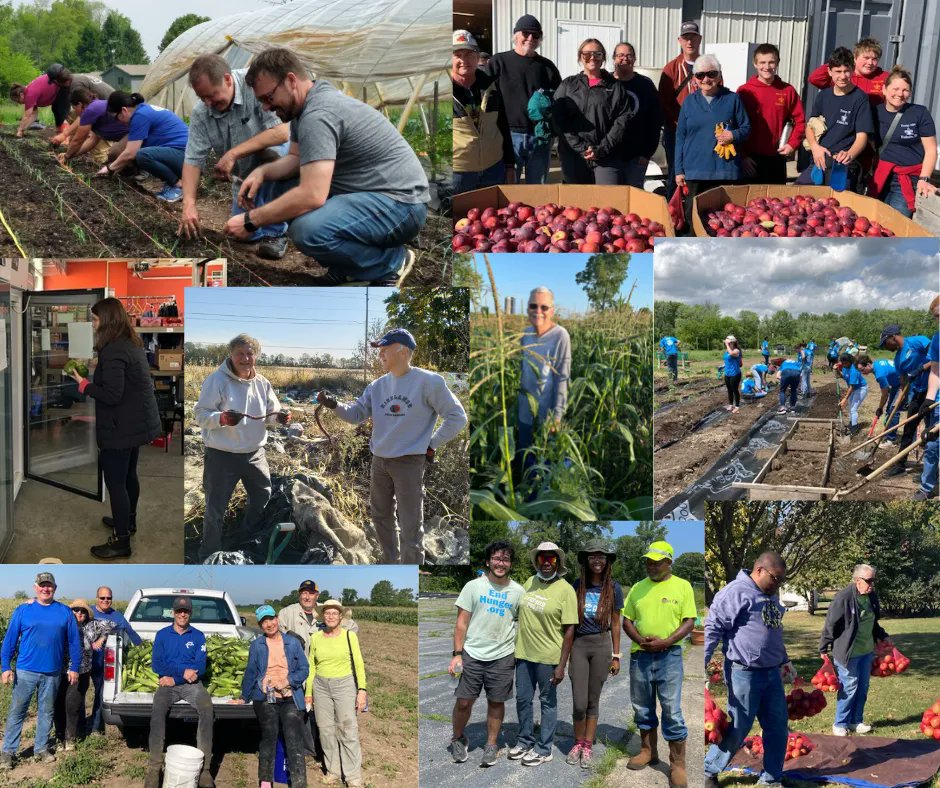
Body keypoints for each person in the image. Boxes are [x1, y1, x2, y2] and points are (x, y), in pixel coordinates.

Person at [227, 48, 429, 286]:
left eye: (268, 98)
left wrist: (252, 220)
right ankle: (349, 268)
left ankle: (390, 262)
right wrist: (262, 171)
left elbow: (312, 195)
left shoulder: (318, 115)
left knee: (308, 230)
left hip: (402, 205)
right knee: (276, 184)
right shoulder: (304, 108)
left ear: (291, 81)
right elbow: (294, 158)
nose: (265, 107)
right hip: (372, 195)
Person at [317, 328, 466, 563]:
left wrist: (431, 444)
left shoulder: (428, 382)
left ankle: (411, 569)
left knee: (410, 525)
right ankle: (391, 561)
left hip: (409, 463)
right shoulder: (377, 386)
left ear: (403, 351)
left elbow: (457, 417)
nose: (380, 355)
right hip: (380, 461)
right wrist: (334, 404)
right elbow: (356, 414)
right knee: (381, 516)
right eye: (379, 351)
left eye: (385, 350)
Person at [67, 297, 161, 560]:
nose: (92, 324)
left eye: (95, 319)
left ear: (107, 321)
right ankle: (128, 523)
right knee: (129, 475)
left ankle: (121, 542)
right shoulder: (129, 343)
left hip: (121, 427)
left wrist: (84, 383)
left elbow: (112, 395)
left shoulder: (113, 350)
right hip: (136, 424)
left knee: (116, 483)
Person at [178, 54, 292, 259]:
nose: (208, 103)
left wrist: (233, 153)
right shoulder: (201, 113)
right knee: (242, 233)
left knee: (273, 156)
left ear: (228, 80)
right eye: (202, 98)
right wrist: (189, 204)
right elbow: (193, 160)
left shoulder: (255, 86)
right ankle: (272, 215)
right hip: (244, 174)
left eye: (211, 95)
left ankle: (277, 232)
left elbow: (282, 132)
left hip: (277, 157)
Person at [193, 333, 290, 561]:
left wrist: (281, 418)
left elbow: (271, 415)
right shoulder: (217, 380)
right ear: (231, 355)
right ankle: (209, 554)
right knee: (215, 508)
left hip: (255, 454)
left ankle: (243, 539)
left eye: (250, 354)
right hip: (222, 456)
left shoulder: (263, 383)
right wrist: (222, 419)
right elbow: (200, 414)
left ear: (255, 356)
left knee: (262, 497)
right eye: (240, 354)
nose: (245, 358)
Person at [703, 553, 795, 788]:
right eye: (776, 578)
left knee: (777, 725)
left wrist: (784, 660)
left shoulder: (771, 595)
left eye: (781, 580)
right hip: (743, 672)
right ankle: (708, 770)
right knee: (739, 726)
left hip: (772, 673)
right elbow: (713, 628)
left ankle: (771, 778)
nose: (778, 585)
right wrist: (701, 664)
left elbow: (773, 631)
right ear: (759, 571)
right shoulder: (735, 592)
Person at [623, 541, 696, 787]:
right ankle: (648, 751)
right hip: (640, 656)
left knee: (671, 710)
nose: (650, 566)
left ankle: (677, 764)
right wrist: (642, 642)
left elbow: (689, 622)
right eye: (648, 561)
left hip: (670, 657)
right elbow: (627, 621)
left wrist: (665, 642)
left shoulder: (683, 586)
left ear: (668, 563)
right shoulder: (637, 588)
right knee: (642, 707)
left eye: (656, 562)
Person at [448, 541, 525, 767]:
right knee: (463, 701)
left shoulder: (518, 592)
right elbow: (461, 623)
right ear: (488, 561)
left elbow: (526, 623)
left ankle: (491, 745)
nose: (501, 563)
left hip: (503, 655)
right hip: (472, 654)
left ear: (510, 564)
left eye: (505, 559)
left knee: (496, 701)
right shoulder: (473, 586)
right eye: (497, 558)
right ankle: (458, 738)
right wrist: (457, 654)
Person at [1, 572, 81, 772]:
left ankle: (41, 749)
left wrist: (74, 667)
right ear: (35, 587)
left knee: (47, 711)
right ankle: (8, 752)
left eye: (50, 585)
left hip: (52, 673)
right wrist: (5, 667)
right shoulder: (23, 610)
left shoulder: (64, 612)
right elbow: (9, 640)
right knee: (17, 711)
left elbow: (74, 642)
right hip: (25, 671)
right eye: (42, 585)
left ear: (55, 587)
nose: (46, 589)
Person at [509, 541, 577, 767]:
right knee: (522, 700)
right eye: (542, 558)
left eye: (552, 559)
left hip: (549, 658)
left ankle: (544, 747)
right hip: (524, 655)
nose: (546, 563)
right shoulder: (530, 582)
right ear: (536, 561)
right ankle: (525, 739)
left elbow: (569, 630)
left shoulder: (566, 590)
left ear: (558, 562)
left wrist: (561, 665)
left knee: (547, 702)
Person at [231, 605, 309, 788]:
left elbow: (304, 669)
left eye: (271, 619)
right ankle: (265, 782)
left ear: (277, 620)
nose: (269, 624)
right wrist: (244, 696)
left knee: (293, 736)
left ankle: (299, 783)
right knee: (270, 733)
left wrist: (287, 681)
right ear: (260, 625)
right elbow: (251, 672)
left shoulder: (292, 643)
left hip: (290, 696)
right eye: (264, 621)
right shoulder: (257, 645)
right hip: (265, 697)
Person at [674, 55, 750, 229]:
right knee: (695, 220)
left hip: (725, 170)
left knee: (726, 223)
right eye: (700, 75)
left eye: (711, 74)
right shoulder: (689, 102)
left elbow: (746, 128)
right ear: (694, 79)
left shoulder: (733, 99)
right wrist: (679, 170)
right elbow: (680, 136)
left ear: (719, 75)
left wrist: (733, 135)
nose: (706, 79)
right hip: (695, 171)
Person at [484, 15, 562, 185]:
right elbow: (483, 96)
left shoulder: (547, 67)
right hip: (508, 136)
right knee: (508, 189)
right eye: (526, 33)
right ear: (515, 35)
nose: (530, 39)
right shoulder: (499, 62)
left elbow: (559, 100)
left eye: (536, 35)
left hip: (540, 137)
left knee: (538, 188)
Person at [146, 596, 215, 788]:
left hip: (191, 685)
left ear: (190, 613)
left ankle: (205, 770)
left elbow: (200, 667)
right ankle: (154, 768)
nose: (182, 614)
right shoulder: (162, 635)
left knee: (207, 708)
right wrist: (182, 672)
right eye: (179, 611)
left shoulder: (198, 636)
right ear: (173, 613)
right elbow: (157, 665)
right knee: (158, 710)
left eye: (186, 611)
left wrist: (175, 677)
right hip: (167, 686)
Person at [567, 539, 623, 769]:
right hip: (579, 645)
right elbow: (567, 622)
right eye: (592, 556)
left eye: (601, 556)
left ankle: (588, 746)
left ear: (607, 560)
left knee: (593, 700)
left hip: (601, 645)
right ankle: (577, 742)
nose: (597, 560)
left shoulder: (614, 588)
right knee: (579, 703)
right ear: (586, 560)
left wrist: (616, 655)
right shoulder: (577, 585)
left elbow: (616, 624)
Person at [819, 564, 891, 736]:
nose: (872, 584)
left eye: (874, 580)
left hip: (866, 651)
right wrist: (823, 646)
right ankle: (840, 723)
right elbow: (831, 624)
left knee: (862, 687)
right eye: (869, 580)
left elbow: (872, 622)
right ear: (858, 580)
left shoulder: (871, 596)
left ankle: (855, 721)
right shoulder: (843, 598)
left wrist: (883, 635)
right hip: (848, 652)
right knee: (849, 687)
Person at [305, 599, 368, 788]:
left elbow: (359, 664)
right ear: (323, 616)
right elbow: (311, 667)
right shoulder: (315, 637)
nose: (331, 616)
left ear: (341, 616)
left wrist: (362, 691)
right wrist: (309, 692)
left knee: (348, 730)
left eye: (335, 613)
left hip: (345, 685)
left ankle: (353, 777)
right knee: (325, 730)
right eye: (327, 613)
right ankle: (333, 771)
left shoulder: (349, 636)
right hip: (321, 686)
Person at [552, 39, 629, 185]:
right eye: (587, 54)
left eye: (597, 54)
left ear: (603, 58)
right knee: (576, 203)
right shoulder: (568, 84)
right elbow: (558, 119)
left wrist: (601, 149)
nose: (592, 58)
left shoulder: (615, 86)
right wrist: (580, 147)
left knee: (608, 202)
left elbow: (621, 121)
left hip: (606, 156)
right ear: (580, 58)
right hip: (573, 155)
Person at [797, 47, 873, 191]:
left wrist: (849, 154)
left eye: (846, 71)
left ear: (853, 70)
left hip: (842, 164)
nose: (843, 76)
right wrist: (814, 147)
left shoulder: (860, 98)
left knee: (835, 205)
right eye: (838, 71)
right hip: (819, 160)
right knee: (799, 196)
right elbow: (810, 127)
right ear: (830, 72)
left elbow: (862, 137)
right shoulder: (823, 96)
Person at [869, 67, 938, 218]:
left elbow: (931, 150)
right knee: (874, 222)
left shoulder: (919, 113)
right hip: (879, 178)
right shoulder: (873, 112)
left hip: (907, 180)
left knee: (895, 224)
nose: (900, 94)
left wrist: (924, 179)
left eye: (905, 90)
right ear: (884, 90)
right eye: (895, 89)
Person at [452, 30, 515, 195]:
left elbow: (502, 124)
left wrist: (509, 164)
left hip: (493, 168)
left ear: (477, 56)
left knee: (491, 217)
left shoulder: (491, 86)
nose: (464, 60)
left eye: (469, 54)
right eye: (458, 55)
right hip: (458, 173)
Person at [517, 287, 572, 476]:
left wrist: (557, 416)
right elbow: (521, 370)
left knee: (544, 461)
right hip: (524, 411)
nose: (538, 311)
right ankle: (525, 491)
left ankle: (542, 498)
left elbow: (562, 377)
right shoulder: (525, 334)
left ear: (552, 310)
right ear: (527, 308)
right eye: (533, 306)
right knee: (525, 457)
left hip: (546, 414)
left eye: (544, 307)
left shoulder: (560, 335)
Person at [98, 92, 189, 202]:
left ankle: (179, 186)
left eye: (116, 118)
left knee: (142, 155)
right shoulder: (142, 110)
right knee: (141, 152)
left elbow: (130, 152)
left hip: (185, 156)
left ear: (124, 111)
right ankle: (173, 182)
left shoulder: (140, 116)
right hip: (182, 155)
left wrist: (109, 168)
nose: (118, 122)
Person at [736, 44, 806, 184]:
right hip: (750, 161)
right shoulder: (744, 92)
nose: (767, 67)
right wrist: (742, 156)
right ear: (755, 64)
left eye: (771, 62)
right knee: (750, 204)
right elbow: (736, 125)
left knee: (776, 204)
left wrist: (792, 144)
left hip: (776, 159)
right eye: (762, 62)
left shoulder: (787, 91)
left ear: (778, 62)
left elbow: (801, 121)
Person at [53, 599, 114, 751]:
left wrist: (101, 638)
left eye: (83, 611)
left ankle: (71, 739)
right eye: (76, 610)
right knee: (58, 705)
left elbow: (111, 624)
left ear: (87, 614)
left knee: (72, 706)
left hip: (81, 672)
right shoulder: (63, 625)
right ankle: (59, 737)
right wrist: (32, 601)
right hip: (60, 671)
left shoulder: (91, 626)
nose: (79, 613)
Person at [879, 324, 932, 477]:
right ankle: (900, 464)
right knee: (908, 429)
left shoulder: (917, 341)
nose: (885, 346)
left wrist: (922, 368)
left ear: (892, 337)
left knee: (932, 430)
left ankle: (932, 469)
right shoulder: (897, 359)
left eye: (885, 342)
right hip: (917, 393)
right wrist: (899, 400)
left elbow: (937, 356)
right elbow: (903, 381)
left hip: (933, 391)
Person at [88, 586, 141, 736]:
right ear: (97, 598)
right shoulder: (89, 611)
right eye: (102, 598)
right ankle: (78, 725)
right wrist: (33, 601)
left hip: (103, 661)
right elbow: (67, 614)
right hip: (85, 660)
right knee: (78, 694)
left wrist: (145, 648)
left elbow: (131, 633)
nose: (106, 600)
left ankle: (96, 728)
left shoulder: (117, 616)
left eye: (108, 598)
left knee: (100, 693)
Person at [659, 21, 703, 196]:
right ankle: (673, 215)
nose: (689, 42)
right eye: (686, 38)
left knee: (700, 175)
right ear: (679, 41)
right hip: (677, 132)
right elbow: (663, 102)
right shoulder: (671, 68)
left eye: (693, 37)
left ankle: (696, 213)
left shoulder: (709, 65)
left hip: (702, 133)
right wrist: (678, 124)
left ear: (699, 39)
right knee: (676, 175)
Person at [612, 42, 662, 188]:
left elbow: (655, 120)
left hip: (637, 156)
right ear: (614, 58)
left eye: (629, 55)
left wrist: (647, 153)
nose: (625, 59)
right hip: (610, 155)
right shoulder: (606, 82)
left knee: (634, 197)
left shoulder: (645, 84)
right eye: (620, 55)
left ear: (634, 59)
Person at [57, 87, 129, 167]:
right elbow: (92, 140)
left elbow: (78, 140)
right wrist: (71, 154)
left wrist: (67, 156)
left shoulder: (90, 110)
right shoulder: (96, 106)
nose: (75, 112)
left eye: (74, 108)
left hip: (132, 134)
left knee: (113, 154)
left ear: (80, 104)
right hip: (127, 136)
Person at [808, 37, 888, 106]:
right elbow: (814, 79)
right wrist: (838, 62)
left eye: (874, 59)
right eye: (866, 58)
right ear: (855, 58)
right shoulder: (843, 76)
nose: (870, 63)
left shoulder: (885, 77)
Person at [914, 295, 939, 500]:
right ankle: (926, 488)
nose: (939, 321)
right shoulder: (938, 339)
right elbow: (936, 371)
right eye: (936, 317)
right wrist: (929, 399)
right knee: (931, 443)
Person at [49, 73, 114, 146]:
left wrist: (64, 135)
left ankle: (85, 143)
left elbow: (85, 114)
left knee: (97, 145)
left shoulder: (77, 87)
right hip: (102, 105)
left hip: (112, 111)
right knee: (72, 116)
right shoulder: (74, 78)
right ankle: (72, 144)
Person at [10, 65, 74, 137]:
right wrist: (23, 129)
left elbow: (26, 116)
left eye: (18, 101)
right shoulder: (29, 92)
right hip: (56, 93)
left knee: (60, 115)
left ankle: (65, 138)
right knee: (56, 111)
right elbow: (34, 115)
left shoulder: (29, 95)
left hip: (61, 88)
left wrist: (19, 130)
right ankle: (60, 136)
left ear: (21, 95)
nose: (19, 103)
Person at [854, 354, 902, 444]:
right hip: (897, 384)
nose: (862, 373)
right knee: (889, 410)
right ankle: (889, 433)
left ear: (868, 364)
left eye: (862, 370)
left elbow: (885, 394)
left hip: (904, 383)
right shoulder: (878, 363)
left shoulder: (879, 374)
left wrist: (879, 408)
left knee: (893, 411)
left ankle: (891, 440)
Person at [839, 353, 868, 436]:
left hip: (860, 389)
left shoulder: (854, 370)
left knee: (853, 409)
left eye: (845, 363)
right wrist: (837, 370)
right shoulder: (845, 367)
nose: (844, 364)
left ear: (850, 361)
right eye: (842, 362)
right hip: (853, 389)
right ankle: (851, 424)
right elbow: (844, 376)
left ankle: (854, 429)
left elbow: (852, 386)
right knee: (851, 408)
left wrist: (845, 398)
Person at [722, 335, 743, 413]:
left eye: (727, 342)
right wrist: (723, 366)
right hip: (727, 374)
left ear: (731, 342)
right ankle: (731, 404)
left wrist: (727, 345)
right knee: (729, 390)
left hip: (735, 374)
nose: (725, 343)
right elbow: (727, 360)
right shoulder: (726, 351)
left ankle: (737, 406)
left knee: (735, 390)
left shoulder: (736, 351)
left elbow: (731, 354)